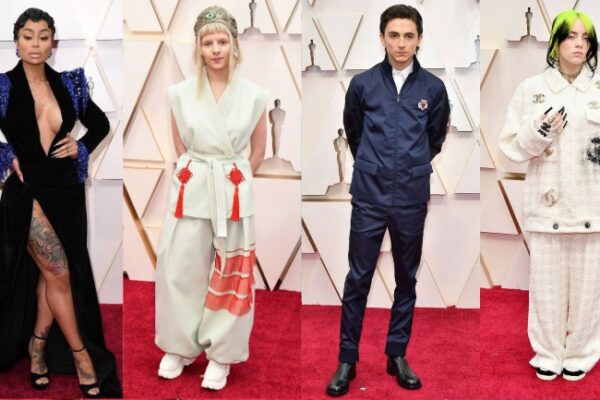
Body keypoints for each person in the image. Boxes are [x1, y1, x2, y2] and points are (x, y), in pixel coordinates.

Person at [325, 4, 450, 397]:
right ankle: (347, 359)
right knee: (358, 278)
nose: (401, 43)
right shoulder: (362, 84)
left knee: (406, 278)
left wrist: (410, 165)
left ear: (419, 39)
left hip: (411, 195)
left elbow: (435, 139)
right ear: (382, 37)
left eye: (409, 36)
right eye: (394, 35)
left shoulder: (433, 88)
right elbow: (354, 131)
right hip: (369, 194)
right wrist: (374, 163)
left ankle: (396, 354)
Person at [0, 8, 121, 398]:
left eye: (43, 36)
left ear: (53, 43)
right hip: (27, 193)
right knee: (59, 273)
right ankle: (82, 357)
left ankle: (37, 347)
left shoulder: (71, 84)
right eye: (28, 36)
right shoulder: (2, 86)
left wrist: (80, 146)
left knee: (51, 276)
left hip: (67, 193)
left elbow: (100, 124)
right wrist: (7, 156)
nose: (35, 44)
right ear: (16, 42)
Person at [154, 5, 268, 391]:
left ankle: (221, 353)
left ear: (235, 45)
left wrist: (234, 180)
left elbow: (258, 151)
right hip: (193, 184)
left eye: (222, 41)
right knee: (179, 266)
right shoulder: (178, 94)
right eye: (208, 43)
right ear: (198, 48)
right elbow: (180, 146)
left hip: (232, 188)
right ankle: (180, 346)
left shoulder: (255, 96)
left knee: (232, 272)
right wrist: (200, 173)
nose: (216, 49)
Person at [499, 9, 599, 382]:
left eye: (585, 37)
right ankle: (547, 351)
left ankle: (582, 351)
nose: (579, 44)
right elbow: (511, 147)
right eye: (571, 36)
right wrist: (539, 131)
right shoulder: (532, 89)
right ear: (556, 42)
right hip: (547, 205)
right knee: (546, 287)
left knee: (590, 288)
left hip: (593, 206)